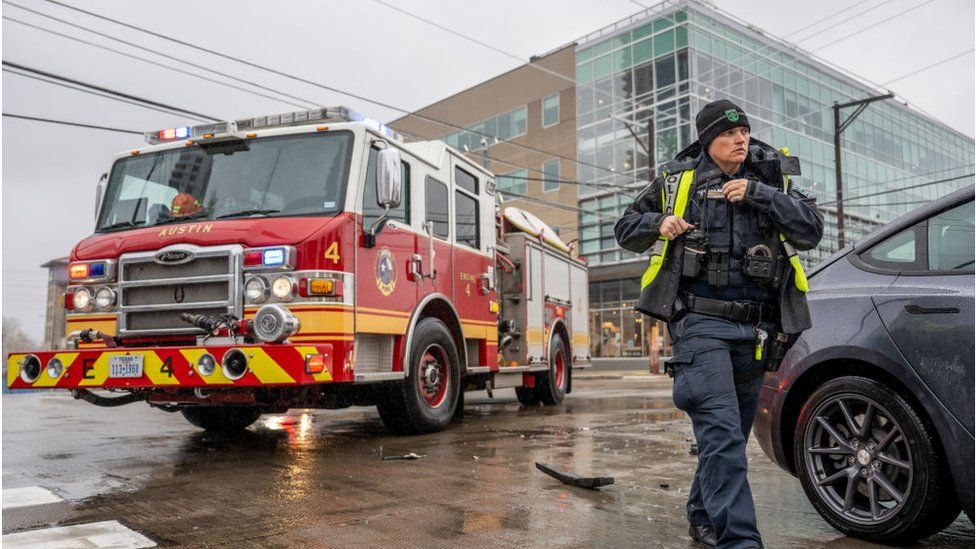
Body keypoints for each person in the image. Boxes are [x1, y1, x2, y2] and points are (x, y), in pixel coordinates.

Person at [615, 99, 823, 548]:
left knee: (726, 441)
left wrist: (760, 195)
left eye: (744, 132)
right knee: (724, 437)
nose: (741, 140)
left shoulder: (771, 175)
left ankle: (701, 513)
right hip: (701, 326)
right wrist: (660, 221)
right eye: (730, 134)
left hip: (758, 332)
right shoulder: (678, 181)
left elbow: (811, 230)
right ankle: (740, 542)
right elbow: (625, 227)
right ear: (709, 141)